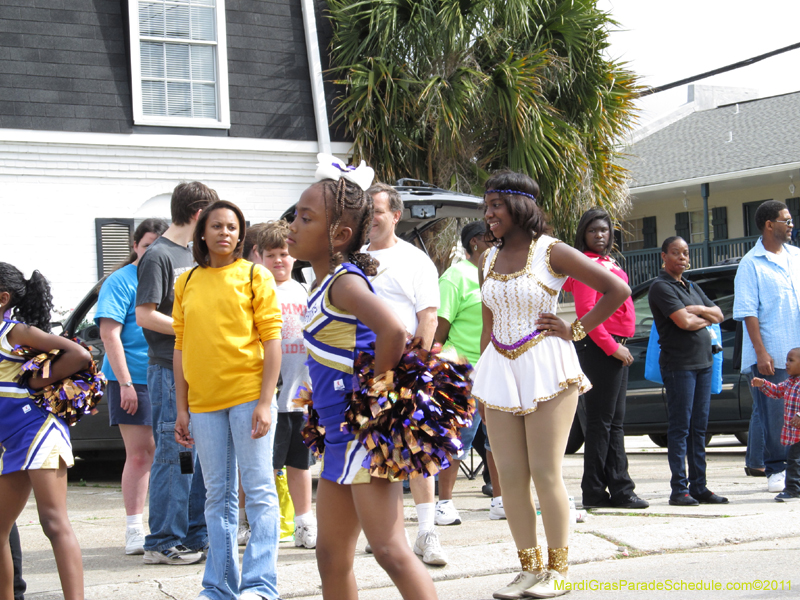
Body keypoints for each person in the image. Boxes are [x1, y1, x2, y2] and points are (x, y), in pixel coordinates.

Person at [471, 171, 630, 599]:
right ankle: (528, 569)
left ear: (520, 206)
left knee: (545, 471)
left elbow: (615, 289)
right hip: (499, 370)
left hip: (547, 367)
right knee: (510, 475)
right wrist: (480, 385)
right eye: (486, 207)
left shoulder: (552, 252)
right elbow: (488, 325)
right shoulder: (485, 259)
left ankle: (557, 571)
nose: (488, 215)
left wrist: (576, 329)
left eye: (495, 207)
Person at [287, 162, 438, 600]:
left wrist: (377, 395)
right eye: (296, 215)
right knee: (331, 557)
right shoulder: (320, 284)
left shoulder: (343, 283)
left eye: (306, 218)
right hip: (337, 437)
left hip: (361, 435)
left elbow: (394, 332)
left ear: (338, 234)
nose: (293, 226)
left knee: (390, 549)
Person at [173, 200, 283, 600]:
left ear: (241, 234)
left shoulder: (255, 276)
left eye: (232, 227)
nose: (224, 233)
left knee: (258, 491)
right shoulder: (184, 282)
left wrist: (265, 401)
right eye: (216, 226)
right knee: (216, 497)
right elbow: (181, 348)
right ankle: (218, 586)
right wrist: (181, 409)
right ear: (202, 232)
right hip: (202, 404)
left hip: (247, 396)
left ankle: (260, 586)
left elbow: (272, 340)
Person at [363, 181, 447, 566]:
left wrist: (416, 365)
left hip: (405, 368)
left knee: (416, 449)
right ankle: (385, 532)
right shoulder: (351, 258)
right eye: (367, 210)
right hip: (362, 367)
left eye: (377, 210)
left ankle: (427, 533)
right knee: (377, 449)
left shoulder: (415, 261)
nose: (371, 218)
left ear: (395, 215)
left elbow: (427, 316)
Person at [0, 263, 92, 600]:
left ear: (2, 298)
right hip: (12, 441)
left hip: (38, 430)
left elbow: (79, 354)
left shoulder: (14, 332)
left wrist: (39, 380)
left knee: (52, 521)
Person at [136, 181, 216, 565]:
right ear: (199, 214)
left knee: (198, 455)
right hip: (168, 370)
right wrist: (190, 327)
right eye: (213, 219)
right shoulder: (159, 256)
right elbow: (144, 314)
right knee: (174, 453)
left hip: (197, 370)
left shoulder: (191, 254)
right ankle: (162, 540)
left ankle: (194, 535)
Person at [564, 209, 648, 510]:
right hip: (601, 347)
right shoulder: (587, 267)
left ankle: (611, 488)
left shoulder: (608, 263)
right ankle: (605, 490)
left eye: (604, 230)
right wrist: (613, 348)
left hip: (614, 347)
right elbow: (587, 315)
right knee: (602, 424)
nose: (600, 235)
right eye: (593, 231)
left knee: (613, 424)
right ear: (583, 235)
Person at [95, 218, 168, 555]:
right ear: (135, 247)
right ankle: (134, 529)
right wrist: (124, 383)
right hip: (133, 378)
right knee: (141, 454)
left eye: (159, 244)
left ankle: (171, 524)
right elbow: (110, 334)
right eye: (146, 245)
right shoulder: (120, 281)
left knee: (174, 453)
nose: (153, 251)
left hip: (168, 373)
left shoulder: (171, 276)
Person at [433, 221, 505, 524]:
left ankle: (500, 501)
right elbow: (439, 330)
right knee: (458, 436)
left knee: (499, 439)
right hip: (461, 370)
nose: (498, 243)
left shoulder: (498, 273)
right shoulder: (455, 277)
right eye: (493, 238)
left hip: (498, 366)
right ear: (476, 242)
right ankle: (444, 503)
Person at [648, 236, 727, 508]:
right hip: (679, 365)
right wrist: (697, 316)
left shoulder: (691, 286)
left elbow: (719, 315)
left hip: (704, 363)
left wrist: (698, 309)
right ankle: (678, 489)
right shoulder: (660, 287)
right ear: (664, 257)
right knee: (681, 427)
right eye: (675, 253)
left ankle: (700, 486)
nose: (682, 257)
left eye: (685, 253)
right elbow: (682, 322)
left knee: (699, 428)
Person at [257, 220, 317, 549]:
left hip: (301, 395)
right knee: (264, 465)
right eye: (271, 255)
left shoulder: (303, 290)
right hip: (269, 399)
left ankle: (304, 523)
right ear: (260, 257)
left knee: (300, 463)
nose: (279, 260)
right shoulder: (258, 290)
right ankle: (250, 522)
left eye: (284, 253)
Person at [734, 200, 799, 493]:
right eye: (786, 220)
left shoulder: (796, 257)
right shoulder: (750, 264)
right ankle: (776, 469)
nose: (792, 225)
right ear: (769, 225)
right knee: (775, 415)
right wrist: (761, 352)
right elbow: (748, 311)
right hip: (772, 353)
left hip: (798, 354)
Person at [751, 348, 800, 502]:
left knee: (794, 461)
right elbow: (777, 391)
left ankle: (793, 490)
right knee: (794, 460)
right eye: (787, 359)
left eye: (791, 360)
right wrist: (763, 384)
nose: (786, 363)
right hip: (796, 434)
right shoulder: (790, 382)